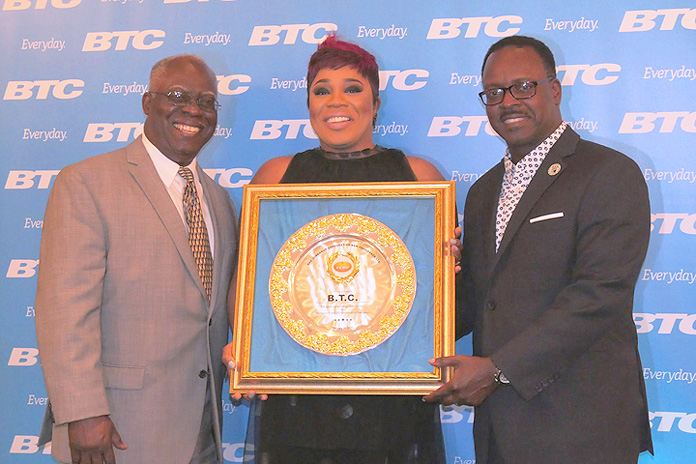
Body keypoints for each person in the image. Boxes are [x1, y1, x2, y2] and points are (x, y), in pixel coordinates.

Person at [424, 35, 654, 463]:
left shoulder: (609, 173)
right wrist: (417, 300)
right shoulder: (482, 192)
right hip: (500, 429)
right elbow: (479, 301)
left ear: (554, 89)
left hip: (581, 427)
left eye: (523, 87)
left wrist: (497, 369)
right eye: (494, 92)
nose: (508, 101)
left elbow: (598, 296)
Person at [226, 36, 453, 464]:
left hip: (389, 393)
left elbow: (440, 290)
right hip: (298, 393)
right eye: (321, 89)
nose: (336, 101)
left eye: (352, 88)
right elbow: (250, 278)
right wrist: (243, 341)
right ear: (309, 103)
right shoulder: (275, 177)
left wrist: (448, 268)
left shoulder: (418, 177)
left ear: (376, 101)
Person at [35, 54, 238, 464]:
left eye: (207, 101)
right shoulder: (87, 182)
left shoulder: (219, 200)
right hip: (117, 431)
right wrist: (83, 412)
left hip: (203, 431)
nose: (193, 110)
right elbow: (64, 310)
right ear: (148, 103)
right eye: (177, 96)